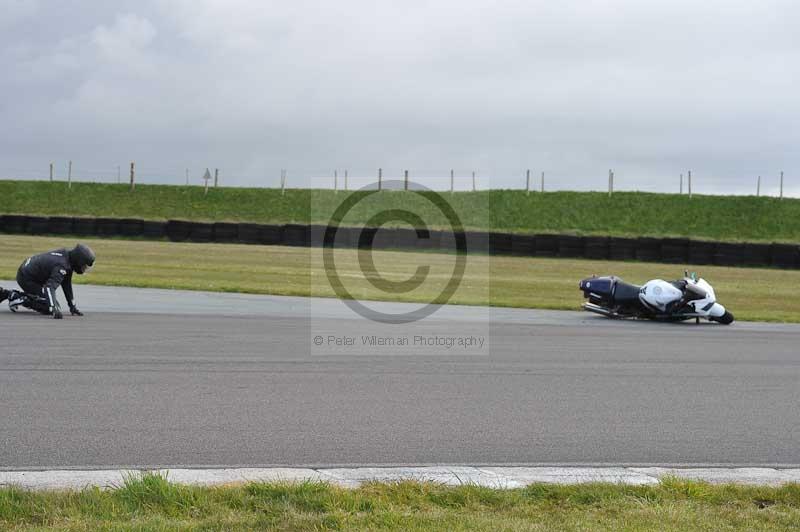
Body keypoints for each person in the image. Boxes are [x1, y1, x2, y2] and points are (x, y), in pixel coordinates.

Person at [0, 243, 95, 319]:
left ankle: (6, 294)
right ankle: (15, 296)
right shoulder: (61, 266)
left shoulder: (67, 257)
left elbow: (66, 284)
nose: (84, 268)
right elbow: (49, 287)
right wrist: (53, 308)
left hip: (30, 272)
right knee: (48, 307)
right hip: (27, 277)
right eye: (84, 265)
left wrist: (72, 306)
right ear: (78, 261)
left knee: (52, 303)